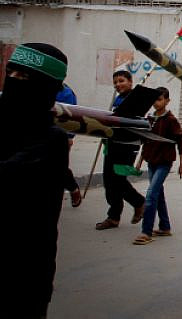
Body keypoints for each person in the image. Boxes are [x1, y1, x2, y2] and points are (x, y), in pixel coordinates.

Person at [0, 43, 74, 318]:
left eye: (26, 77)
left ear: (48, 87)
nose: (15, 81)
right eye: (12, 73)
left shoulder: (50, 139)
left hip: (25, 271)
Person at [132, 86, 182, 245]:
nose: (156, 103)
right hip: (151, 161)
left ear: (167, 101)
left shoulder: (171, 120)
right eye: (154, 100)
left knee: (151, 194)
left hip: (164, 162)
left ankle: (146, 231)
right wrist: (139, 162)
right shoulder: (150, 119)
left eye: (160, 99)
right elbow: (146, 141)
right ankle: (165, 226)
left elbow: (180, 142)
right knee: (158, 193)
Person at [95, 70, 146, 230]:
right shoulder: (118, 99)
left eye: (121, 81)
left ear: (130, 82)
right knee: (109, 182)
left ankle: (139, 202)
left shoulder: (136, 99)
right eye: (115, 82)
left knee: (118, 180)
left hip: (127, 146)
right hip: (112, 144)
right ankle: (114, 217)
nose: (118, 84)